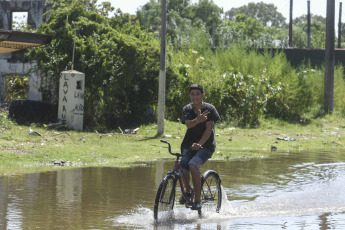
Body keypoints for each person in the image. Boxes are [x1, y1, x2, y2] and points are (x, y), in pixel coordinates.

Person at [179, 84, 220, 210]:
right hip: (189, 144)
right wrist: (197, 120)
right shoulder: (187, 109)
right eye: (192, 94)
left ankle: (197, 200)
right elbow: (188, 125)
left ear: (202, 95)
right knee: (182, 165)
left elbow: (209, 129)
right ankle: (188, 191)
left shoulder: (210, 109)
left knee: (193, 165)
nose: (195, 97)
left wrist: (199, 144)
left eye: (197, 94)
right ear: (190, 96)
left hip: (206, 146)